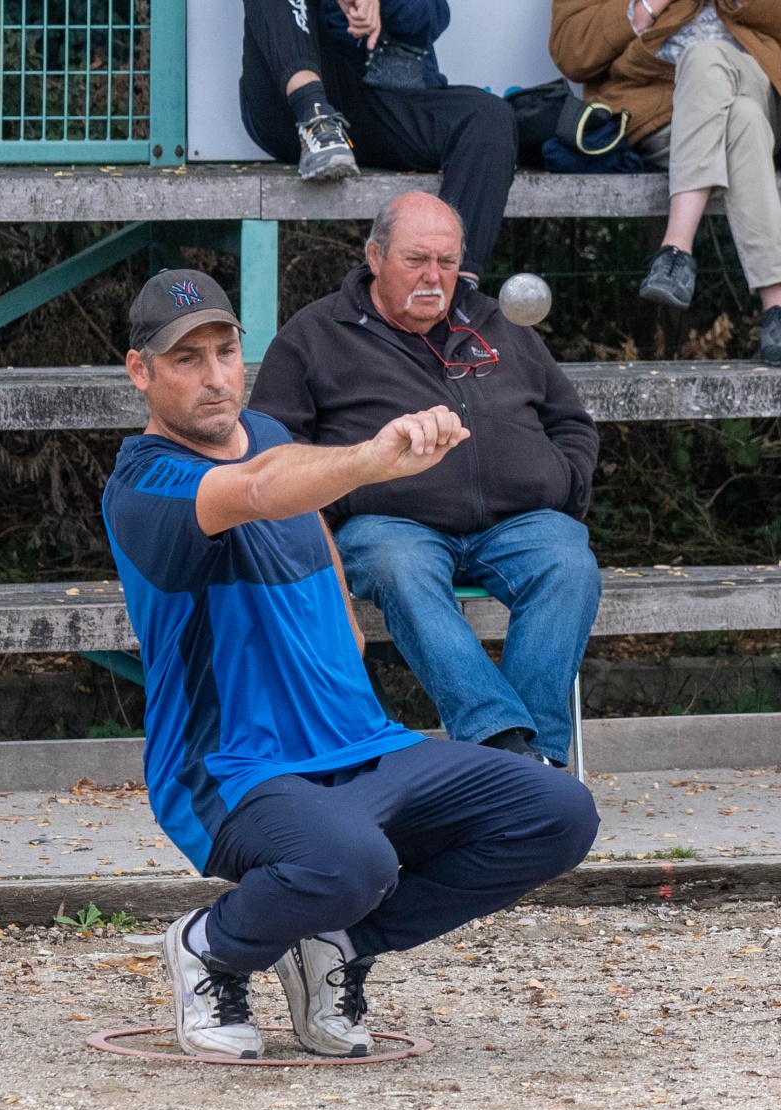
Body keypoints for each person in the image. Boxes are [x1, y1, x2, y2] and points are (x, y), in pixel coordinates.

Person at [103, 268, 599, 1059]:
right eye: (186, 359)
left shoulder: (265, 433)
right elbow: (260, 490)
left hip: (360, 743)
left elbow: (293, 491)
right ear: (141, 372)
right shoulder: (145, 483)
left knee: (556, 811)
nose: (214, 376)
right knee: (350, 860)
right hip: (231, 770)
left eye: (225, 352)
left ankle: (335, 944)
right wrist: (371, 459)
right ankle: (212, 947)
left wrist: (336, 597)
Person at [249, 192, 600, 769]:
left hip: (519, 522)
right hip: (390, 525)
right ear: (375, 256)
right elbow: (272, 449)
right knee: (398, 565)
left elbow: (570, 421)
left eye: (448, 262)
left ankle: (531, 762)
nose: (435, 277)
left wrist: (563, 484)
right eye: (416, 261)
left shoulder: (497, 322)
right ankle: (500, 746)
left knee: (569, 561)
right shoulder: (315, 335)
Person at [550, 0, 781, 367]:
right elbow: (570, 51)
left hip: (754, 83)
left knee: (707, 58)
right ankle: (780, 306)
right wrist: (646, 7)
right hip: (658, 111)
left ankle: (675, 250)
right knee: (742, 120)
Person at [239, 0, 517, 280]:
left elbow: (432, 17)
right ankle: (317, 120)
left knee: (490, 118)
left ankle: (455, 294)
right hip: (295, 106)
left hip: (378, 103)